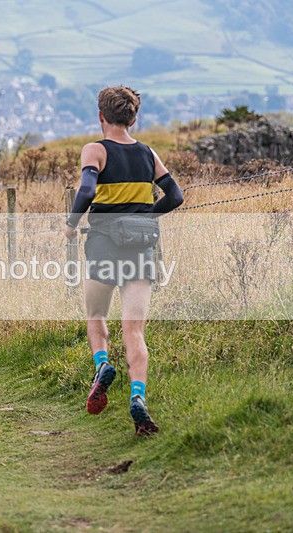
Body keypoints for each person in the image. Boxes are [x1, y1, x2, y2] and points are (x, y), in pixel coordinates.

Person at [63, 86, 184, 435]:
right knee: (134, 330)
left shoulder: (95, 150)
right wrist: (144, 218)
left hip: (103, 243)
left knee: (96, 315)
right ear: (133, 119)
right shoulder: (148, 153)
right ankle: (138, 397)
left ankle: (102, 366)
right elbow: (175, 195)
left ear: (101, 116)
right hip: (140, 248)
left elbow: (87, 190)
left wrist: (71, 224)